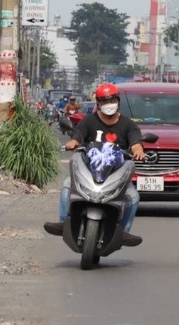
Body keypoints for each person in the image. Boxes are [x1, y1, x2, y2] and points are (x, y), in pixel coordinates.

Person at [44, 83, 146, 246]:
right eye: (105, 101)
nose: (109, 104)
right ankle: (64, 223)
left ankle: (122, 231)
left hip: (116, 173)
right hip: (89, 171)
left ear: (118, 102)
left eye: (112, 100)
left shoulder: (128, 124)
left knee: (132, 197)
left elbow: (135, 143)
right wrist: (73, 142)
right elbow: (78, 136)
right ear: (98, 103)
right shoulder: (89, 121)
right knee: (67, 186)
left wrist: (138, 150)